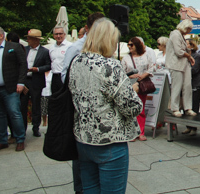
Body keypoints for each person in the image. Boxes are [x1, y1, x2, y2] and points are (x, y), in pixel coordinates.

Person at [68, 18, 142, 193]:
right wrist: (134, 89)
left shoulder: (76, 62)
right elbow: (132, 107)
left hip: (83, 139)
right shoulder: (110, 65)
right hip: (109, 142)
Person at [61, 12, 105, 194]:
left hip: (100, 108)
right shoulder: (76, 48)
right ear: (87, 29)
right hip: (80, 106)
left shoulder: (103, 46)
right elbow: (65, 76)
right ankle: (80, 189)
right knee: (80, 147)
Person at [0, 26, 27, 154]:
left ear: (1, 36)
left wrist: (21, 82)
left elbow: (23, 64)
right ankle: (2, 141)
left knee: (14, 113)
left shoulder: (14, 47)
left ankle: (20, 139)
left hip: (11, 87)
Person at [121, 37, 154, 140]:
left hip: (142, 85)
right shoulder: (126, 58)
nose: (130, 47)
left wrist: (143, 75)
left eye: (132, 45)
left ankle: (141, 131)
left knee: (141, 108)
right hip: (130, 85)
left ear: (137, 45)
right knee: (130, 108)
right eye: (128, 45)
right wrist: (131, 76)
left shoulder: (146, 56)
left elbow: (152, 67)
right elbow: (122, 71)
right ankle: (132, 132)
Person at [21, 29, 51, 138]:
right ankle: (22, 129)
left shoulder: (44, 51)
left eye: (29, 38)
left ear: (35, 40)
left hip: (36, 81)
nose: (27, 40)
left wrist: (37, 69)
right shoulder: (24, 49)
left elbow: (48, 66)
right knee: (22, 106)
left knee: (36, 106)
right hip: (25, 81)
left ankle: (35, 128)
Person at [165, 19, 196, 118]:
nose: (189, 32)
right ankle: (175, 108)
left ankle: (188, 108)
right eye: (189, 29)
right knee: (176, 86)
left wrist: (188, 53)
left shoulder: (181, 36)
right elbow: (178, 52)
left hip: (184, 64)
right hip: (176, 64)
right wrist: (189, 55)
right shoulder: (175, 34)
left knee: (187, 86)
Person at [183, 39, 200, 136]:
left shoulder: (196, 56)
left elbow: (195, 69)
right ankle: (188, 126)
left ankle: (194, 127)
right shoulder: (183, 56)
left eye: (186, 43)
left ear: (191, 45)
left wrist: (184, 72)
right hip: (186, 83)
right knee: (186, 105)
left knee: (194, 106)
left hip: (195, 83)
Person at [48, 26, 72, 94]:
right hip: (54, 76)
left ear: (64, 34)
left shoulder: (69, 46)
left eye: (60, 34)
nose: (58, 36)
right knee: (54, 97)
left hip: (64, 76)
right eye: (56, 34)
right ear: (53, 35)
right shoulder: (52, 47)